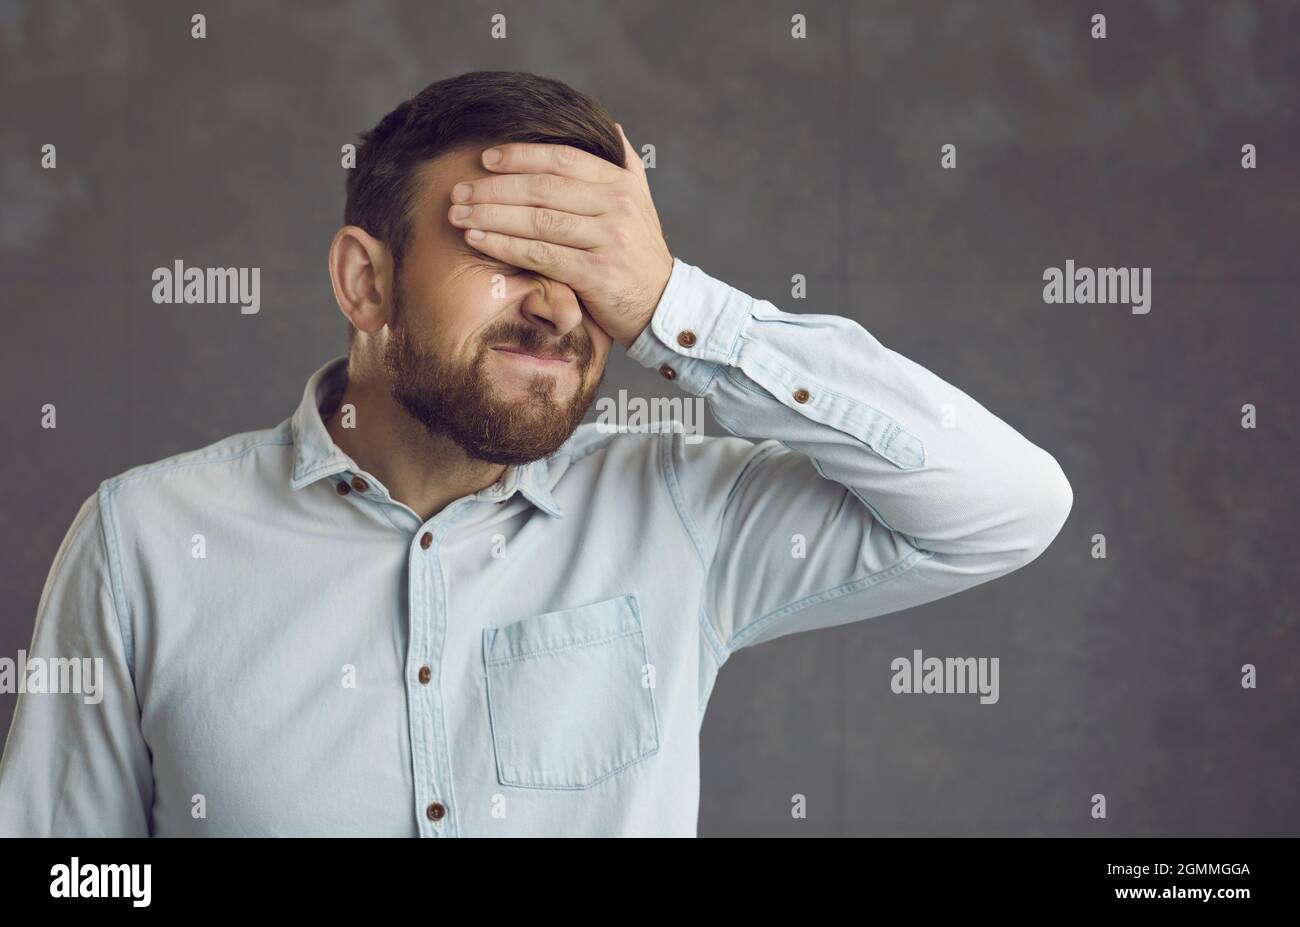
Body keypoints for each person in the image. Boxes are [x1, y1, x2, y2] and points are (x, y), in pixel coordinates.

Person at [0, 70, 1072, 836]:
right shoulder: (143, 539)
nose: (560, 305)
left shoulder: (679, 512)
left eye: (594, 266)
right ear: (366, 284)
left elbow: (1009, 503)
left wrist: (673, 306)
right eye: (510, 252)